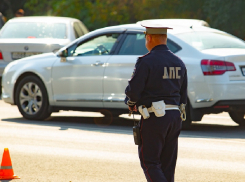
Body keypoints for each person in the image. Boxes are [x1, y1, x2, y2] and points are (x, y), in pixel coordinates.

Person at [125, 21, 187, 182]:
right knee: (167, 165)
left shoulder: (146, 61)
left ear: (149, 38)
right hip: (174, 117)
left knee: (150, 162)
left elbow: (133, 91)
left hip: (155, 118)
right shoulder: (179, 62)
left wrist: (131, 104)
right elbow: (183, 93)